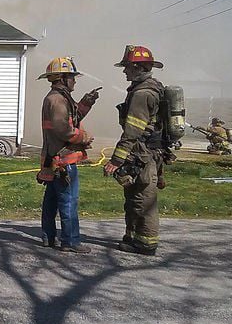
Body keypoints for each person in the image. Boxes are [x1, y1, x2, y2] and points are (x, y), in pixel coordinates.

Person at [103, 45, 166, 256]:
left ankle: (146, 244)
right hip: (146, 154)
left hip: (142, 155)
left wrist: (116, 161)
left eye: (127, 67)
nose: (124, 71)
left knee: (143, 200)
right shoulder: (152, 88)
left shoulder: (142, 94)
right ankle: (133, 237)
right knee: (134, 198)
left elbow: (132, 132)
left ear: (138, 68)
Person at [37, 56, 99, 253]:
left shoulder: (59, 98)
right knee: (68, 201)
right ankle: (70, 241)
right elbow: (63, 129)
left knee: (51, 200)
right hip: (63, 161)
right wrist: (84, 138)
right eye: (72, 77)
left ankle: (48, 237)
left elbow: (72, 117)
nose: (74, 81)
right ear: (62, 78)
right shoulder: (57, 100)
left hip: (54, 159)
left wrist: (86, 103)